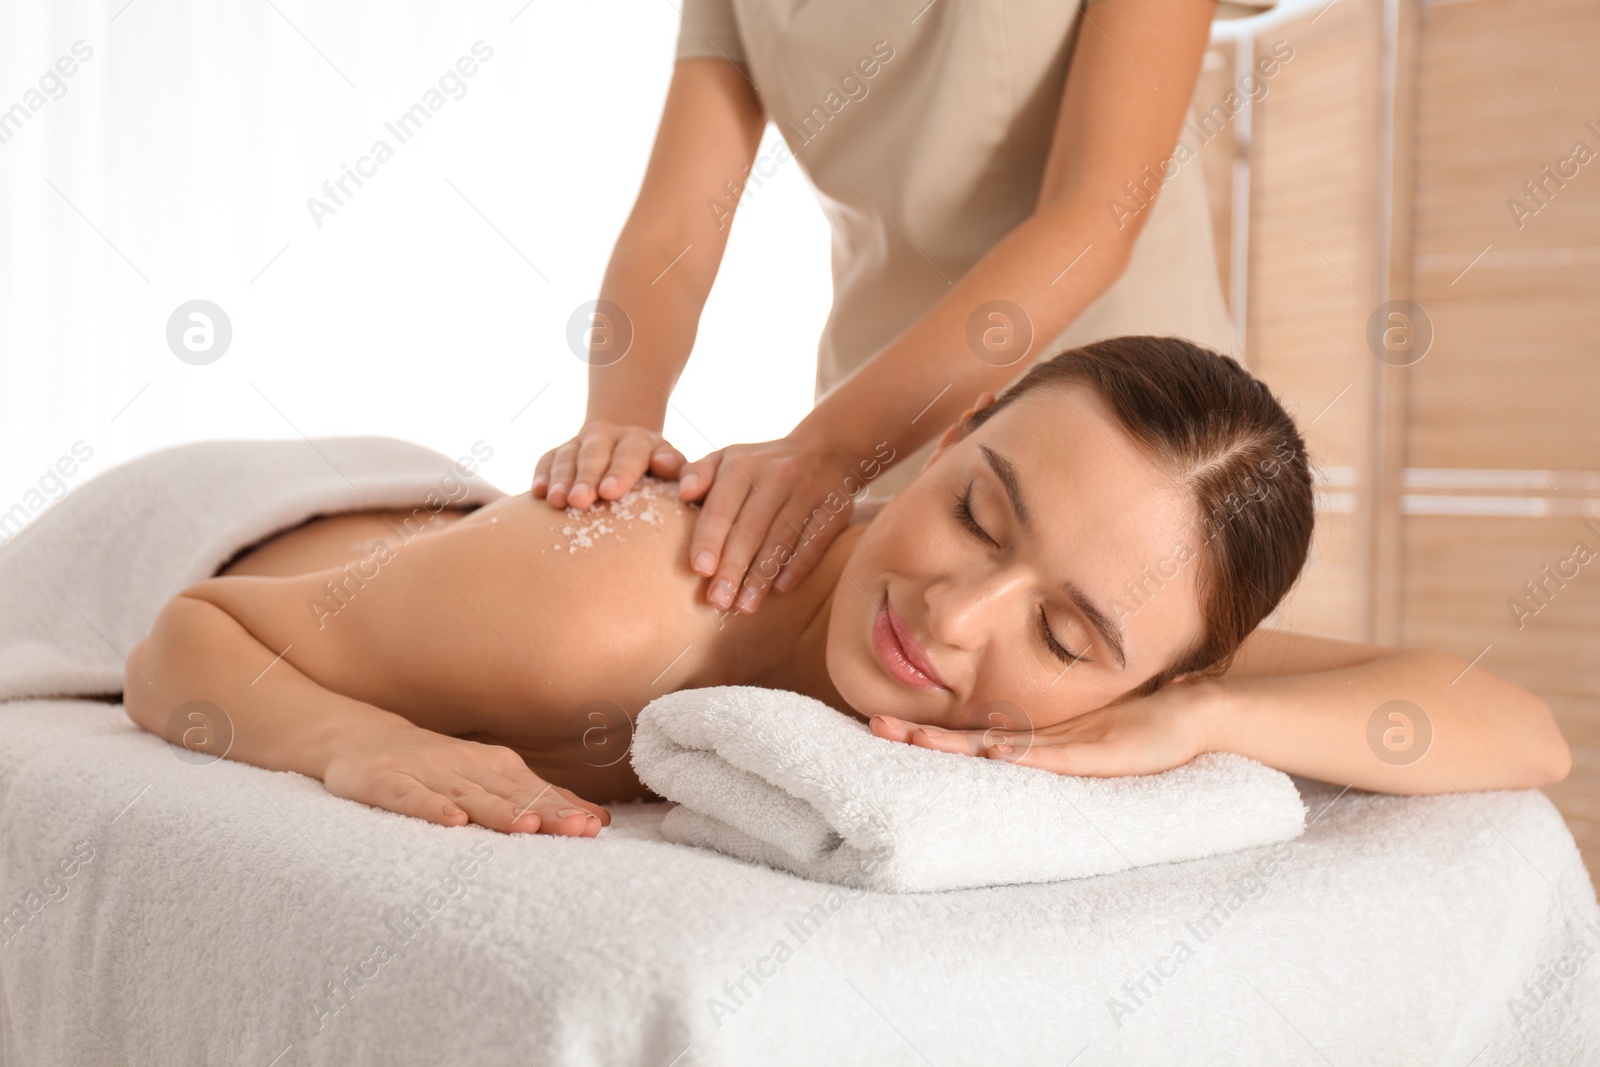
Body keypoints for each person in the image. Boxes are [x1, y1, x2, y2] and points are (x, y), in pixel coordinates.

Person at [124, 338, 1572, 838]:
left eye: (1067, 636)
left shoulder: (1158, 657)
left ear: (1159, 663)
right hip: (218, 521)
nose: (954, 616)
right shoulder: (618, 606)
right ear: (947, 437)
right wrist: (350, 741)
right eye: (974, 512)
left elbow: (1519, 729)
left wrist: (1202, 726)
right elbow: (188, 632)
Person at [532, 0, 1272, 622]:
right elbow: (675, 231)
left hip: (1113, 421)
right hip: (883, 421)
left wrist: (833, 447)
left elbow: (1096, 213)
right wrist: (620, 436)